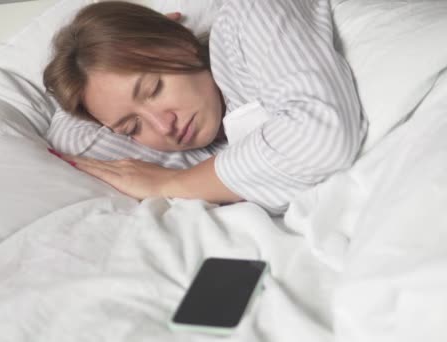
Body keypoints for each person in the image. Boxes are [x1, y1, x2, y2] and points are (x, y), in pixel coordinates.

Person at [43, 0, 367, 215]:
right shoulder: (202, 146)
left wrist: (172, 184)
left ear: (180, 44)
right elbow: (72, 138)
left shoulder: (250, 14)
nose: (162, 125)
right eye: (132, 127)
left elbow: (321, 138)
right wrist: (78, 82)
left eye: (153, 89)